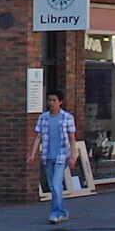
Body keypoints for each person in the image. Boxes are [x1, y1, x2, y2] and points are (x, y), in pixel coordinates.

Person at [28, 90, 77, 223]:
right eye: (49, 100)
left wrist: (72, 156)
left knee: (56, 184)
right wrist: (33, 154)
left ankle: (55, 213)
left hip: (62, 156)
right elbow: (38, 137)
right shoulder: (43, 118)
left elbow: (72, 138)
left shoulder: (67, 117)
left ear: (60, 102)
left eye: (54, 100)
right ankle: (63, 211)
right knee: (54, 186)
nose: (51, 103)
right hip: (47, 156)